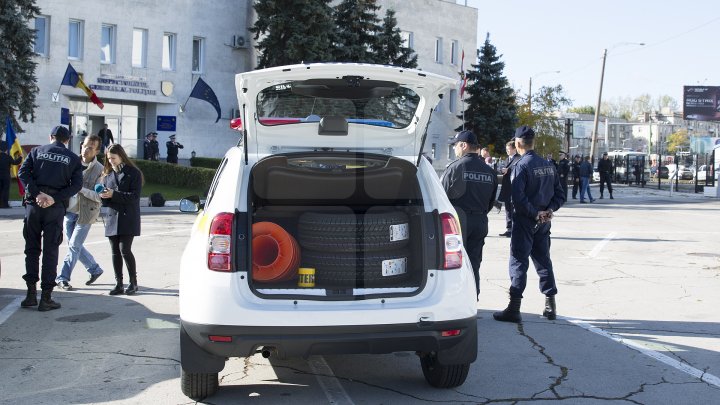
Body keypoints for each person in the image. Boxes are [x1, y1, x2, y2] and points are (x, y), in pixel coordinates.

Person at [493, 126, 564, 323]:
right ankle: (550, 305)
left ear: (517, 143)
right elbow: (560, 194)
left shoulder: (521, 166)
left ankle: (514, 308)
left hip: (526, 221)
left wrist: (536, 213)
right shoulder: (548, 165)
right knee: (543, 261)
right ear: (533, 142)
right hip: (543, 222)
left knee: (518, 262)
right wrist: (548, 211)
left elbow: (518, 198)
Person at [17, 125, 83, 311]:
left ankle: (30, 295)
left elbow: (22, 173)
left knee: (31, 249)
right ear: (67, 140)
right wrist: (55, 197)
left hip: (34, 206)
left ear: (51, 136)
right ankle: (46, 298)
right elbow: (77, 184)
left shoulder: (37, 151)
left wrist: (37, 194)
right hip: (54, 207)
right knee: (50, 252)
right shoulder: (72, 158)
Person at [441, 130, 498, 299]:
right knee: (474, 262)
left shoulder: (455, 168)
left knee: (454, 263)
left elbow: (442, 198)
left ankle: (456, 299)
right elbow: (491, 201)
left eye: (456, 145)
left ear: (464, 145)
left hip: (458, 223)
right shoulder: (489, 171)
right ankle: (473, 297)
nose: (454, 149)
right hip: (480, 220)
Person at [55, 135, 105, 290]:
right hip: (69, 211)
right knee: (73, 245)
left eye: (91, 147)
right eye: (84, 146)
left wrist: (80, 188)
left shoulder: (100, 170)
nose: (86, 150)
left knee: (74, 246)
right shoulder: (71, 161)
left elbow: (98, 196)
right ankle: (94, 269)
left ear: (97, 150)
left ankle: (62, 278)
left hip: (86, 213)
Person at [100, 143, 143, 295]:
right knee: (114, 252)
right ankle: (119, 283)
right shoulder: (108, 175)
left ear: (121, 156)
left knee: (125, 250)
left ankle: (133, 282)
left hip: (128, 217)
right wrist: (103, 196)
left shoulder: (133, 173)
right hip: (113, 217)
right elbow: (107, 200)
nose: (110, 161)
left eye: (113, 158)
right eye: (108, 158)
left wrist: (114, 194)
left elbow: (134, 196)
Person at [498, 140, 521, 237]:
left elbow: (519, 170)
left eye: (509, 149)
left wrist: (509, 170)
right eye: (506, 149)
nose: (507, 151)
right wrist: (501, 170)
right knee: (507, 209)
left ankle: (515, 229)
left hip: (514, 187)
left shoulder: (519, 158)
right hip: (507, 188)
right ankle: (508, 229)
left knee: (514, 209)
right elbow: (502, 168)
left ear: (514, 149)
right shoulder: (507, 159)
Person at [0, 140, 23, 208]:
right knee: (5, 190)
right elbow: (15, 162)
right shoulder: (8, 157)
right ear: (6, 149)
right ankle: (4, 205)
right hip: (6, 176)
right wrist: (20, 157)